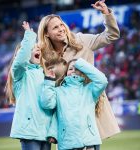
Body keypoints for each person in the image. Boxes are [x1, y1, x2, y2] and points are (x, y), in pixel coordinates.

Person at [37, 0, 120, 141]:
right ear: (46, 34)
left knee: (91, 144)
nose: (61, 29)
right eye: (55, 27)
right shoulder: (43, 56)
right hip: (66, 115)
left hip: (89, 108)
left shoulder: (81, 41)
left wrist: (106, 14)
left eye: (61, 24)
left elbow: (111, 35)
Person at [5, 21, 55, 150]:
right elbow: (21, 61)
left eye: (38, 48)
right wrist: (29, 36)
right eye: (33, 48)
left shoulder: (44, 75)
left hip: (45, 133)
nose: (37, 49)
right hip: (29, 133)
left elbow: (48, 104)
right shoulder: (20, 74)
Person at [40, 58, 108, 150]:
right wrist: (48, 81)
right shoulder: (58, 91)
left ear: (83, 71)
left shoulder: (89, 89)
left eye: (77, 68)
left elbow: (102, 80)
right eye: (70, 69)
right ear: (66, 73)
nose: (73, 71)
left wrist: (80, 63)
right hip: (66, 142)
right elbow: (46, 104)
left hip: (88, 141)